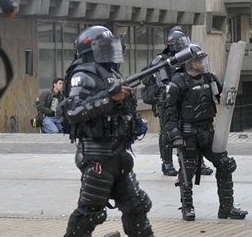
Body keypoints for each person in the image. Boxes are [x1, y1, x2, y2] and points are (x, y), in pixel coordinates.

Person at [58, 26, 153, 237]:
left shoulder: (110, 73)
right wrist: (109, 98)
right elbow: (73, 111)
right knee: (90, 213)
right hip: (96, 155)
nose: (112, 51)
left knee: (137, 207)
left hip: (117, 154)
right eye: (105, 47)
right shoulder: (83, 74)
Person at [164, 49, 248, 221]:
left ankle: (227, 208)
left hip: (208, 131)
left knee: (225, 165)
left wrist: (225, 96)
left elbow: (220, 97)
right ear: (188, 62)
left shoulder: (209, 77)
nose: (200, 63)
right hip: (188, 134)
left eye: (201, 60)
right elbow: (169, 111)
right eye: (196, 61)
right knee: (187, 171)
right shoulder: (177, 82)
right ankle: (187, 208)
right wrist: (175, 135)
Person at [141, 27, 212, 177]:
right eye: (180, 43)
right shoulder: (161, 60)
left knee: (194, 129)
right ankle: (167, 164)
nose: (183, 46)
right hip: (167, 101)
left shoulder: (188, 58)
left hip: (186, 100)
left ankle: (199, 163)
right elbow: (162, 84)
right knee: (168, 131)